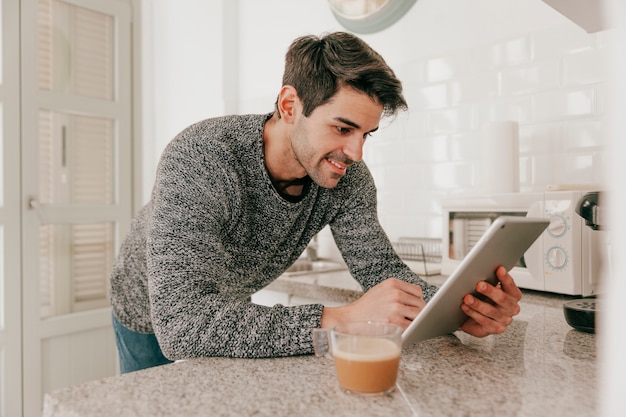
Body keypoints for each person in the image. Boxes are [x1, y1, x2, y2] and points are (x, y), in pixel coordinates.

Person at [110, 31, 522, 374]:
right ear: (290, 106)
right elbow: (182, 324)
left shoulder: (347, 178)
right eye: (343, 128)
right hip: (149, 312)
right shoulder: (203, 157)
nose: (356, 152)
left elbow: (380, 270)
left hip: (228, 306)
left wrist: (457, 310)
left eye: (366, 134)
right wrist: (341, 319)